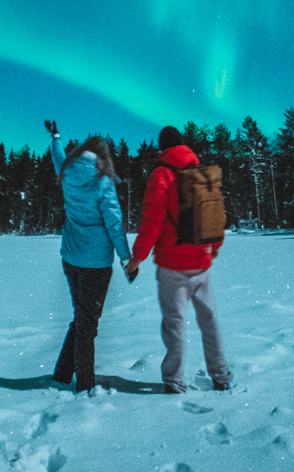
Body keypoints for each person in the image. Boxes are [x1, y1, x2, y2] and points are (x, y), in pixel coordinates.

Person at [126, 125, 233, 394]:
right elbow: (217, 217)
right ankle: (221, 375)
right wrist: (213, 248)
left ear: (162, 148)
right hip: (201, 262)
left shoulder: (160, 175)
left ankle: (174, 381)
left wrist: (136, 259)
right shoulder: (202, 173)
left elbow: (152, 223)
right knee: (209, 321)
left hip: (172, 265)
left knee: (175, 325)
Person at [45, 119, 134, 394]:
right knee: (87, 323)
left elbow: (58, 156)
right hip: (95, 263)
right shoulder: (102, 181)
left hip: (70, 257)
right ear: (103, 157)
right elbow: (114, 224)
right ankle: (84, 385)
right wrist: (126, 259)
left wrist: (56, 136)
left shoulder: (67, 170)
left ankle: (61, 374)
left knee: (81, 317)